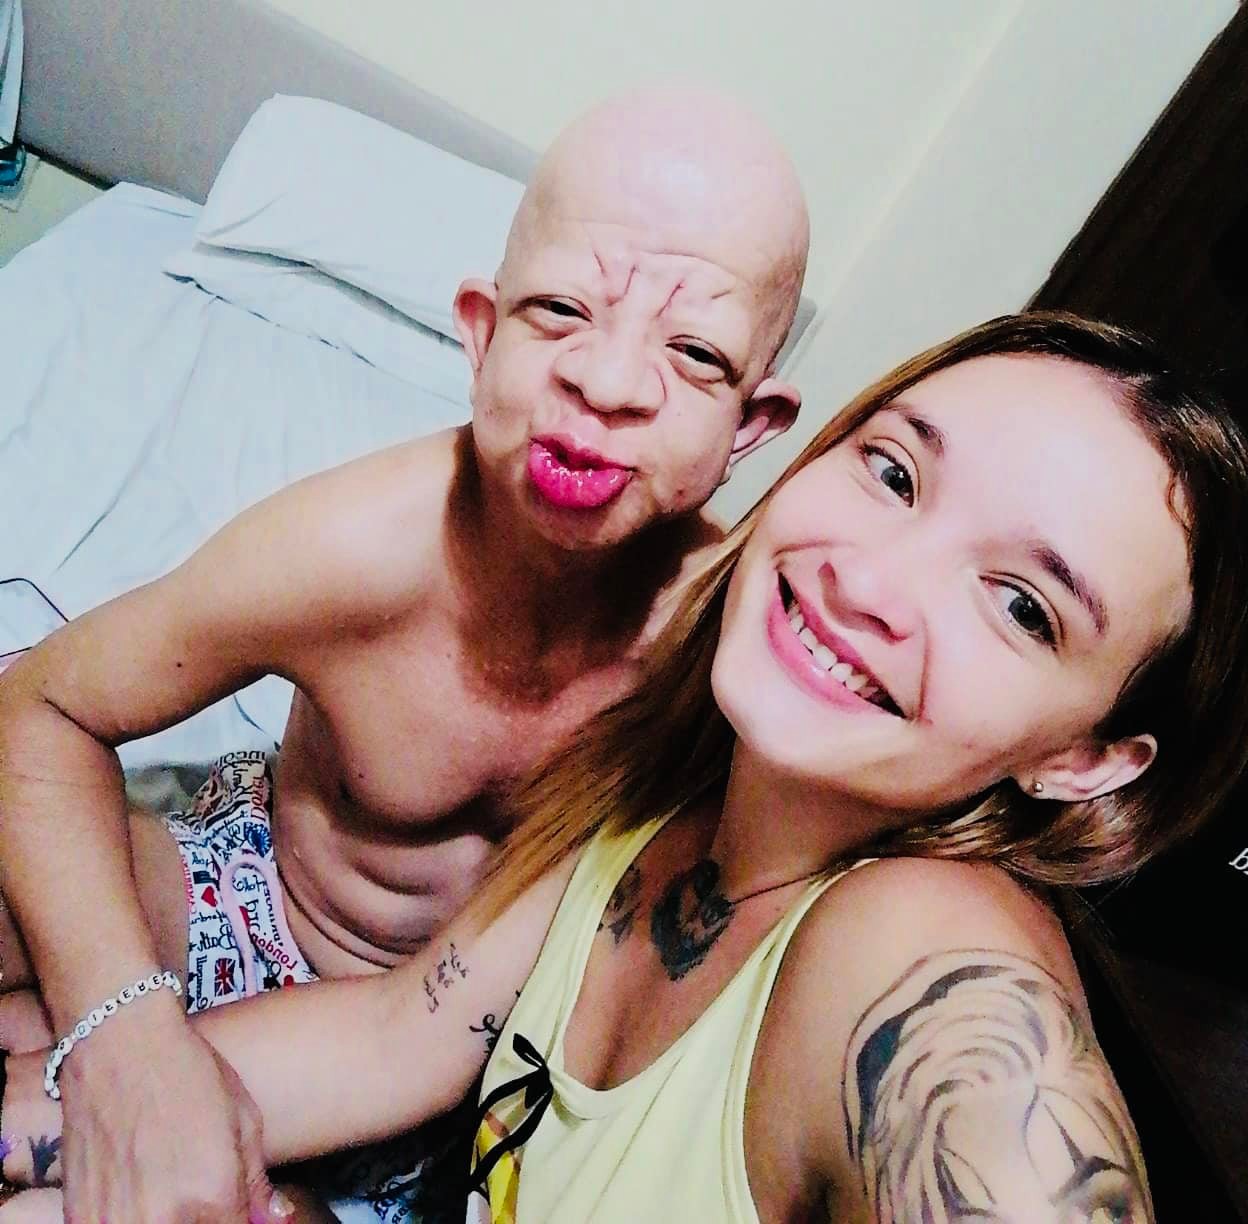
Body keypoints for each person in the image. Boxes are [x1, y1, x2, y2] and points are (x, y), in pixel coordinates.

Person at [1, 312, 1248, 1222]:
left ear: (1083, 762)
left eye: (1019, 607)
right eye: (892, 472)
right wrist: (109, 1090)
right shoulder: (665, 780)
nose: (870, 583)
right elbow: (397, 1040)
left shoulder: (920, 949)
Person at [0, 87, 808, 1223]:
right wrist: (122, 1034)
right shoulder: (352, 548)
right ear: (480, 335)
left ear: (749, 431)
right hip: (249, 891)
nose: (609, 383)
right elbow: (39, 705)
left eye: (692, 353)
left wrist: (107, 1102)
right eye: (560, 311)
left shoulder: (713, 672)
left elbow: (415, 1044)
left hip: (448, 1063)